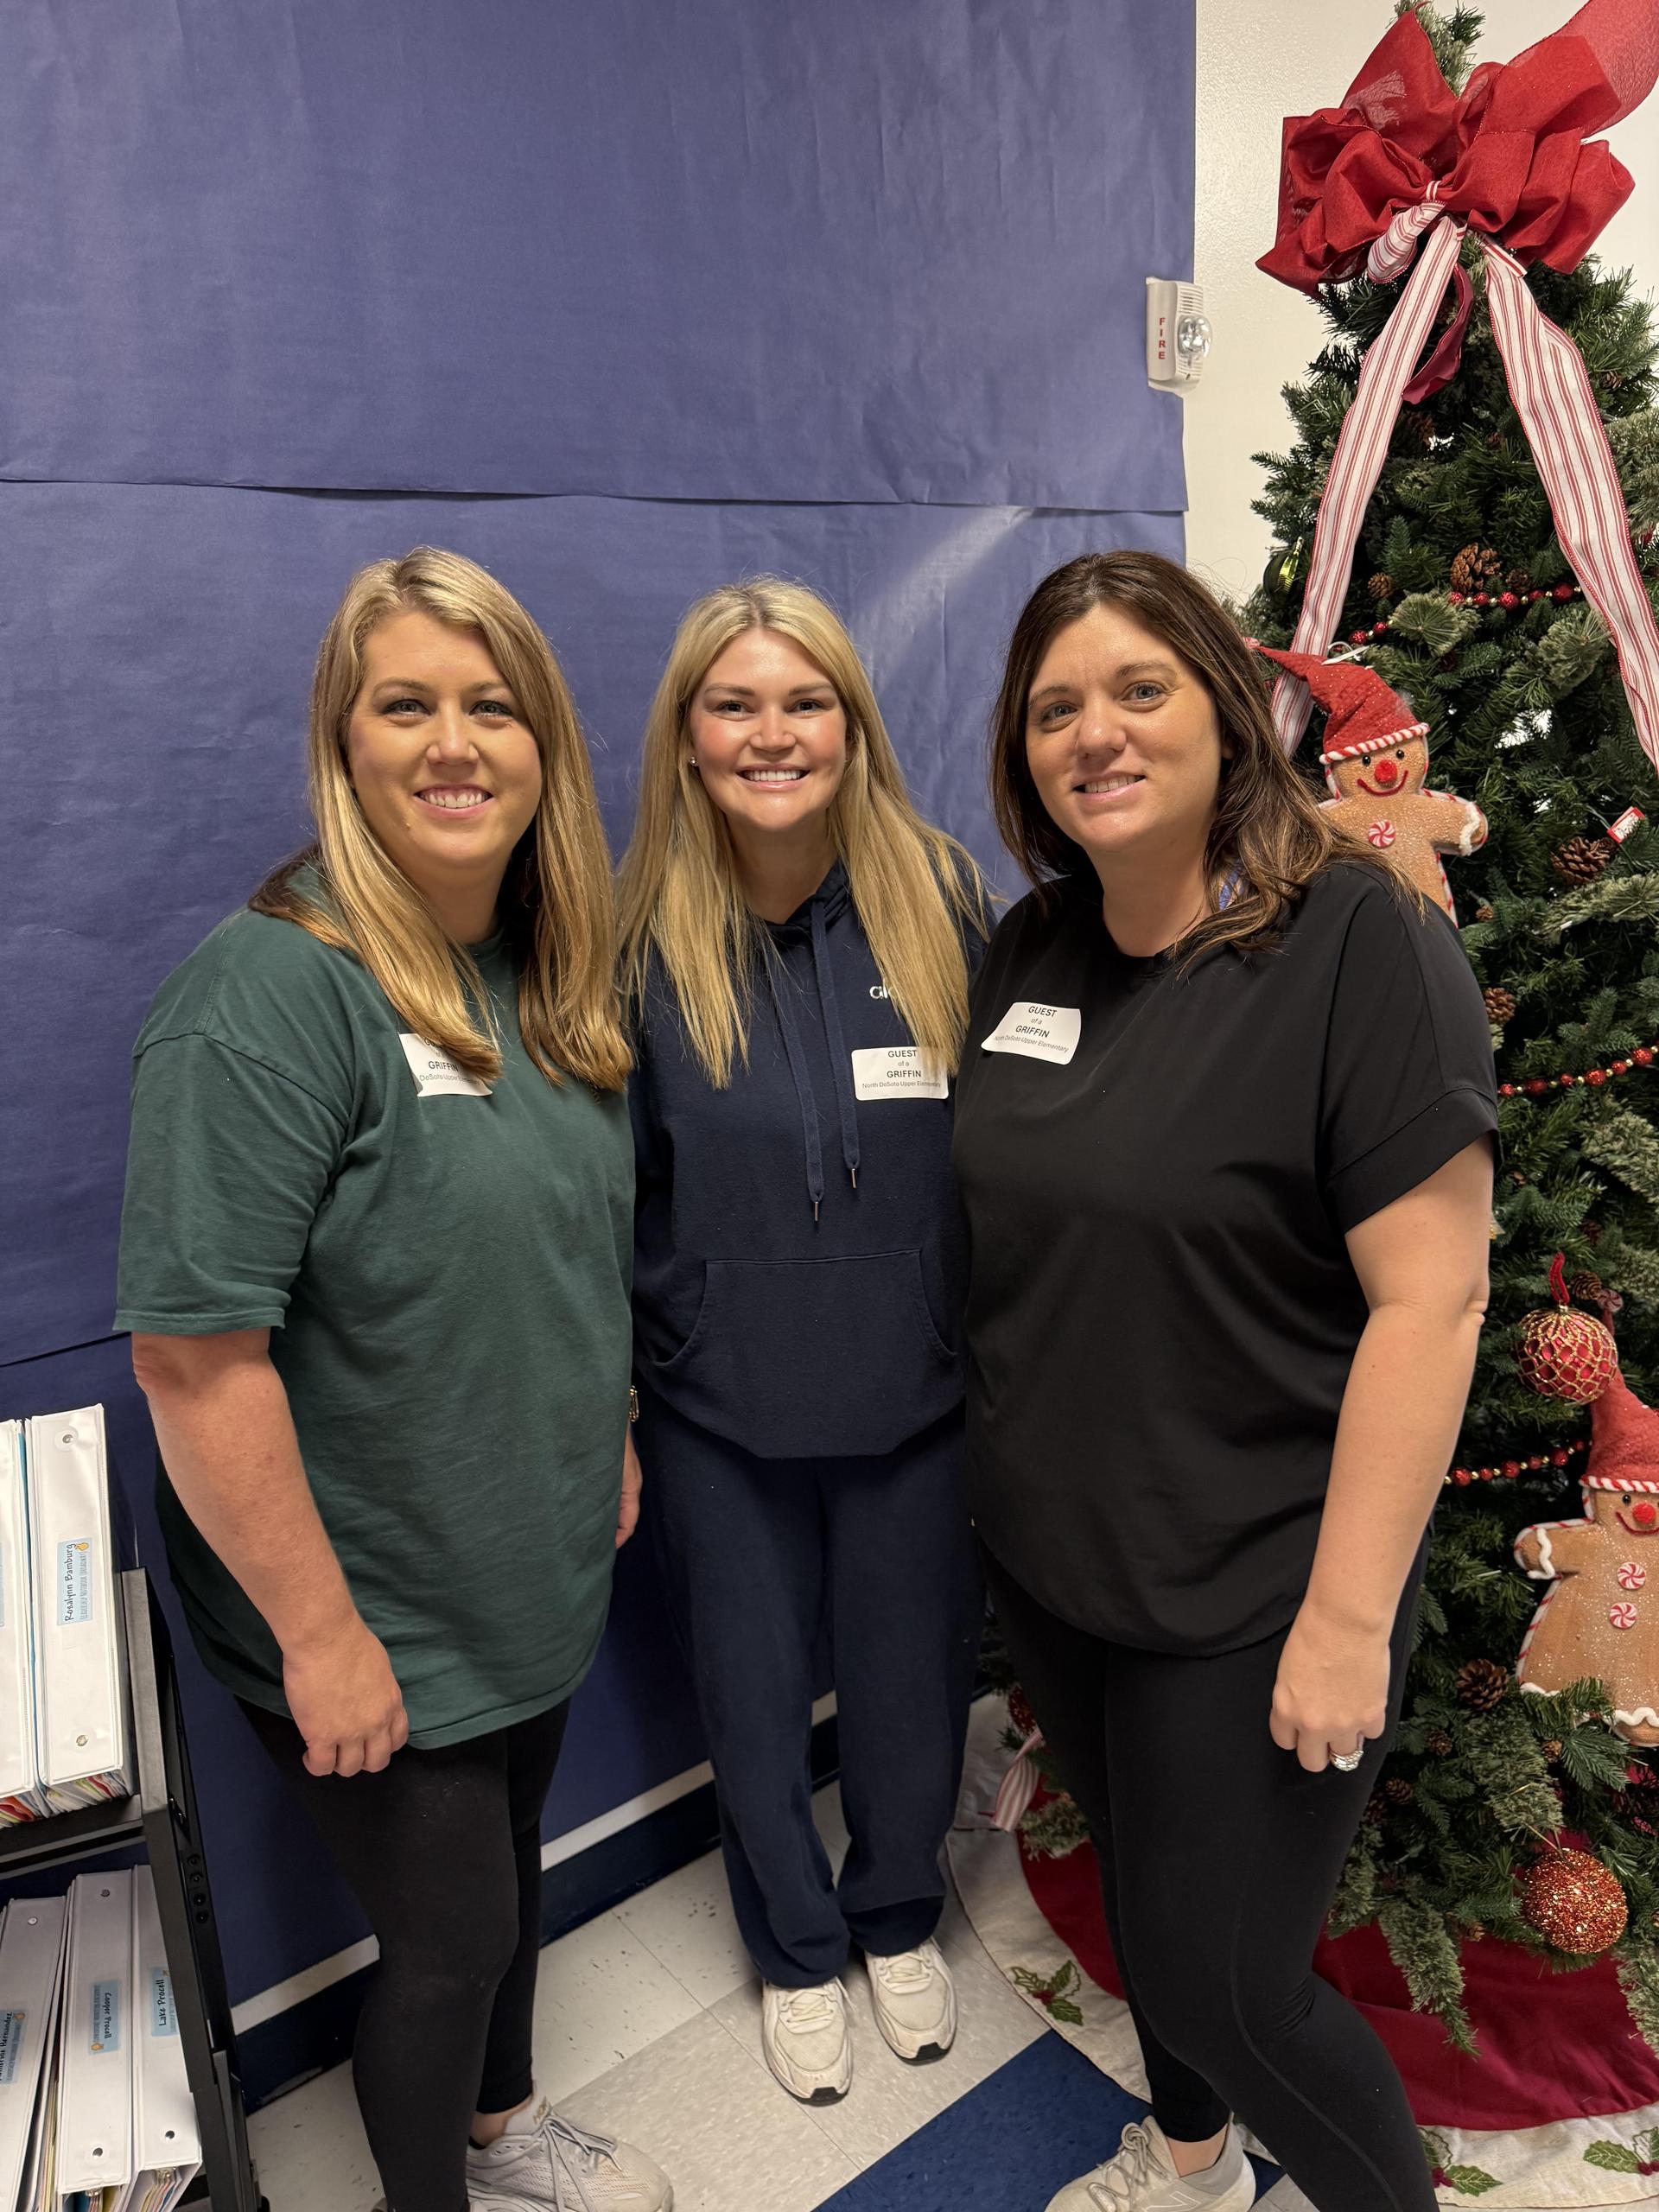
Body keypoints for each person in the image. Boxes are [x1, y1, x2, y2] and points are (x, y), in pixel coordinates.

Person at [117, 549, 673, 2212]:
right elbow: (193, 1364)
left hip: (522, 1561)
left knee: (506, 1878)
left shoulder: (553, 969)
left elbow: (572, 1237)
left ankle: (501, 2132)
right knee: (451, 1948)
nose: (453, 744)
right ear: (342, 742)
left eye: (492, 706)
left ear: (544, 743)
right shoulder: (268, 997)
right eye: (405, 705)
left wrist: (611, 1425)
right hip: (366, 1599)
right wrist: (320, 1638)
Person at [952, 551, 1496, 2212]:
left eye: (1140, 688)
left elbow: (1435, 1300)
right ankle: (1191, 2163)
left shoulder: (1361, 942)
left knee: (1234, 1990)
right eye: (1055, 707)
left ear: (1227, 709)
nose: (1095, 734)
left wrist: (1346, 1622)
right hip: (1066, 1562)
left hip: (1261, 1580)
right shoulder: (1033, 948)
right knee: (1145, 1909)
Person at [617, 578, 988, 2104]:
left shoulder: (944, 897)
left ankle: (895, 1914)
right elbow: (610, 1186)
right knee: (753, 1698)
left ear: (852, 723)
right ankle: (792, 1947)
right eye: (735, 705)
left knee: (911, 1689)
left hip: (918, 1388)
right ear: (687, 736)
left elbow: (1007, 1145)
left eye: (804, 701)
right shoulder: (634, 937)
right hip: (718, 1402)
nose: (772, 735)